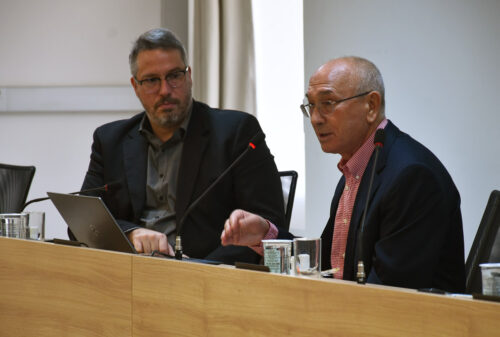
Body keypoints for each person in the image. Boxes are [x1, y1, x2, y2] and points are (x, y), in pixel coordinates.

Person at [221, 56, 466, 292]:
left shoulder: (411, 176)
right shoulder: (357, 169)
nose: (315, 119)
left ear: (371, 106)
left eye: (328, 103)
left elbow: (389, 293)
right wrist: (266, 234)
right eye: (311, 106)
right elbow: (329, 268)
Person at [79, 28, 285, 264]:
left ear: (189, 76)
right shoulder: (110, 140)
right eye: (151, 80)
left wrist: (199, 269)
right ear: (135, 86)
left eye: (174, 76)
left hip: (209, 279)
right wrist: (131, 233)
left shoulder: (236, 132)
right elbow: (84, 222)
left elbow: (271, 226)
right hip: (129, 274)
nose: (165, 90)